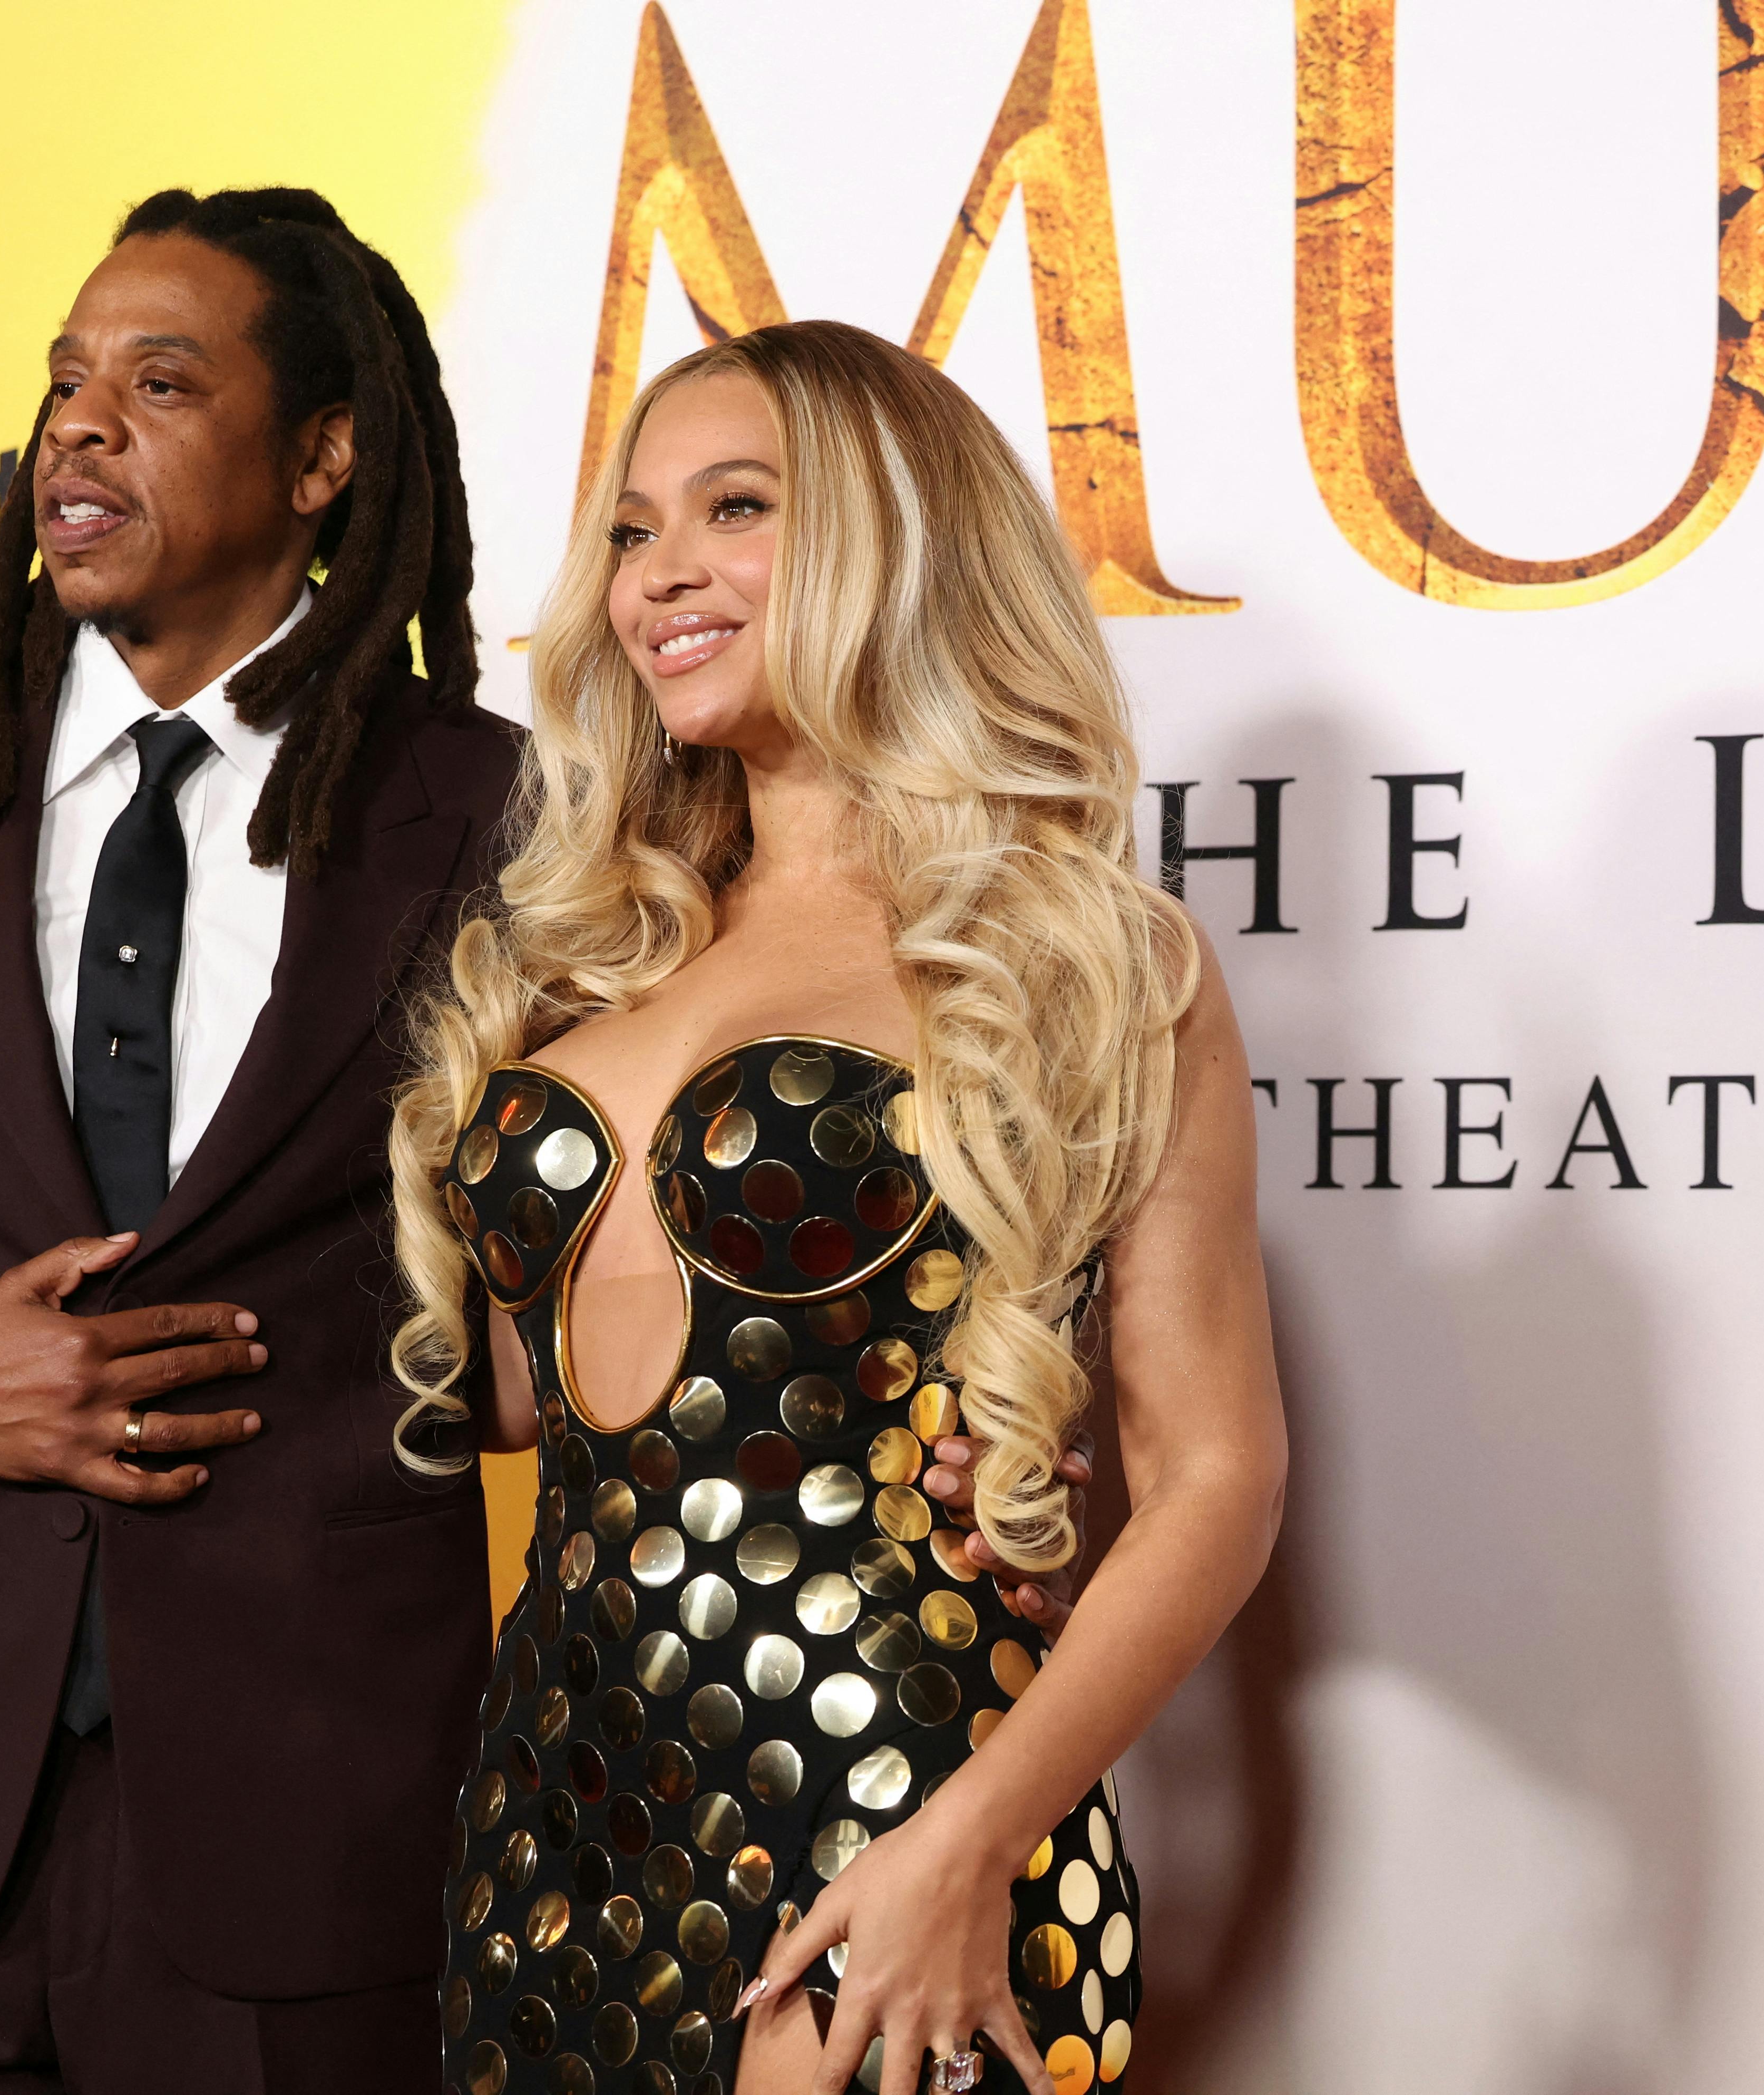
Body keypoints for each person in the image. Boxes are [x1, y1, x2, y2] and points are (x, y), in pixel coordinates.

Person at [0, 188, 520, 2092]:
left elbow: (575, 1268)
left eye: (156, 380)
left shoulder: (488, 809)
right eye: (63, 382)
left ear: (323, 458)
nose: (78, 424)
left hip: (311, 1828)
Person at [389, 319, 1291, 2095]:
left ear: (897, 543)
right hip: (553, 1822)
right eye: (634, 530)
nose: (660, 576)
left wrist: (968, 1844)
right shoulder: (583, 956)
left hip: (888, 1799)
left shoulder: (1086, 959)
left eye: (736, 509)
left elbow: (1220, 1477)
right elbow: (515, 1401)